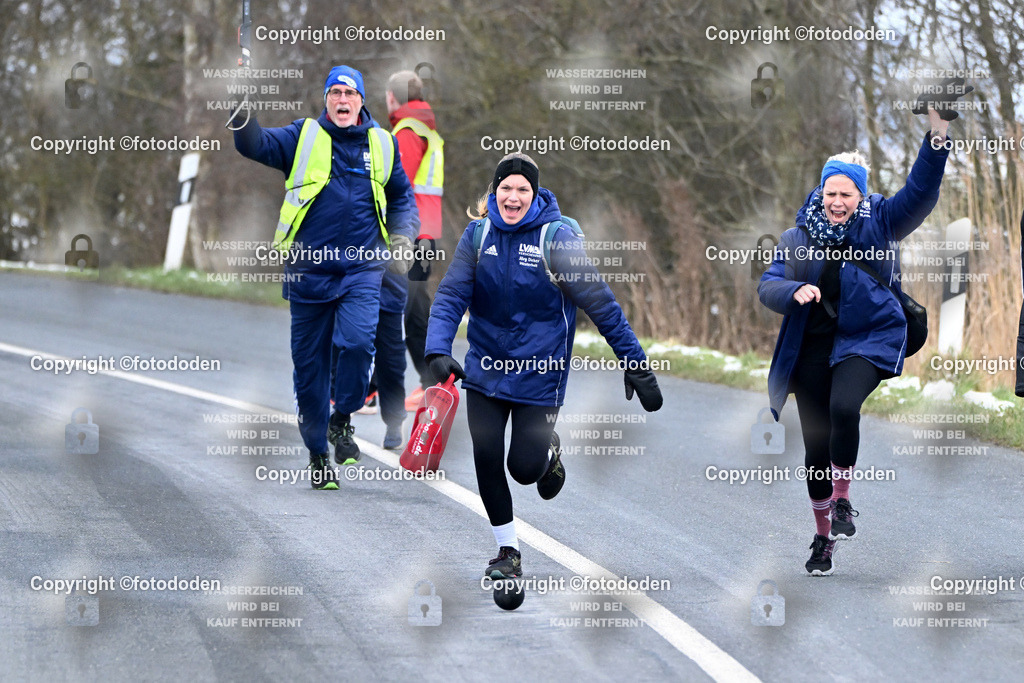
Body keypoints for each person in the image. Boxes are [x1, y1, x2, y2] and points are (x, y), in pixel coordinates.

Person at [758, 88, 970, 575]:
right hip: (810, 348)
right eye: (829, 193)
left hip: (865, 340)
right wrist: (792, 293)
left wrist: (937, 131)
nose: (836, 201)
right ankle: (821, 538)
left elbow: (922, 190)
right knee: (815, 449)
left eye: (845, 194)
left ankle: (844, 499)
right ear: (820, 194)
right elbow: (768, 284)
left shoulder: (883, 224)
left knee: (844, 407)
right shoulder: (797, 238)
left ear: (860, 196)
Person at [426, 153, 663, 579]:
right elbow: (449, 296)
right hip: (484, 369)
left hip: (540, 373)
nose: (512, 198)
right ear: (493, 193)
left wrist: (635, 363)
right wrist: (436, 349)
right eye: (505, 189)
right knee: (485, 453)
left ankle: (548, 450)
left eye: (522, 190)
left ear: (534, 195)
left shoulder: (556, 240)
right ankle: (507, 552)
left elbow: (601, 303)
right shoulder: (477, 236)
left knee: (523, 468)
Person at [233, 65, 416, 488]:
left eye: (350, 94)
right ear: (326, 99)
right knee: (309, 368)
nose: (342, 100)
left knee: (356, 343)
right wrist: (242, 104)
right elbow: (253, 143)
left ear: (361, 101)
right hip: (308, 273)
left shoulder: (383, 144)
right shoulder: (303, 136)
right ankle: (318, 453)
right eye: (335, 93)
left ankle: (342, 418)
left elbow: (402, 195)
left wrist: (404, 236)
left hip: (362, 268)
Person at [385, 70, 445, 411]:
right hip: (426, 231)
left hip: (410, 233)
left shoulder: (407, 130)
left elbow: (398, 185)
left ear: (394, 97)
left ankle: (428, 383)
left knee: (406, 309)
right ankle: (421, 383)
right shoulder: (427, 127)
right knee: (411, 307)